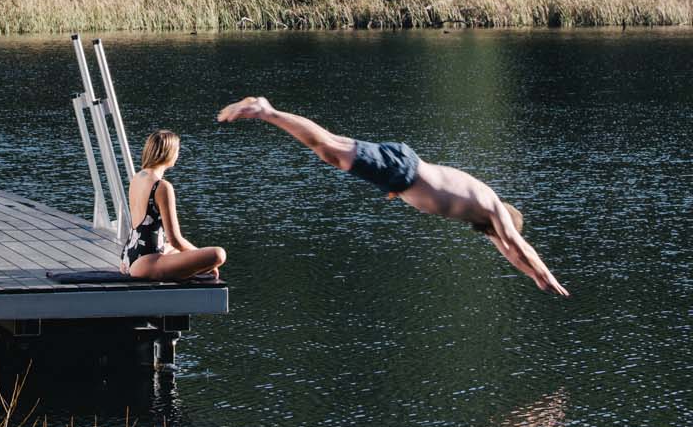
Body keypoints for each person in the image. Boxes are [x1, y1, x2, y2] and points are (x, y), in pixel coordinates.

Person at [216, 97, 568, 297]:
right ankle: (266, 110)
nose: (500, 241)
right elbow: (518, 245)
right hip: (403, 168)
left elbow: (510, 253)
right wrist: (546, 274)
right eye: (502, 234)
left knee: (331, 148)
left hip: (400, 175)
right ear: (505, 221)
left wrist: (531, 276)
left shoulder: (484, 216)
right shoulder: (494, 208)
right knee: (328, 148)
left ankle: (269, 112)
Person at [122, 129, 226, 281]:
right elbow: (175, 238)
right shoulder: (162, 186)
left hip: (129, 256)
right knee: (218, 254)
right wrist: (206, 260)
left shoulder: (137, 177)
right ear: (169, 153)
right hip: (147, 263)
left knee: (174, 250)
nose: (178, 154)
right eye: (177, 150)